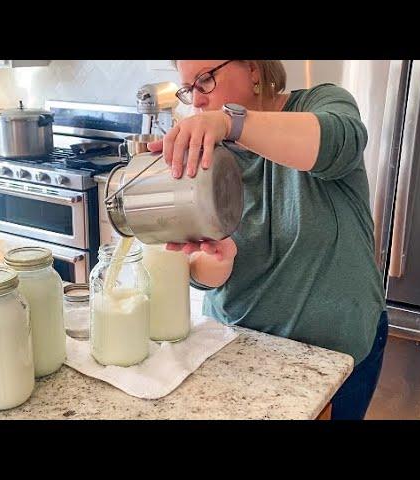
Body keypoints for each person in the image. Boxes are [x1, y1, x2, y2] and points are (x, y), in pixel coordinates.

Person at [147, 60, 388, 420]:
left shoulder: (321, 104)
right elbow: (197, 269)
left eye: (205, 80)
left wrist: (231, 121)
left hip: (335, 357)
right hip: (239, 352)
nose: (196, 101)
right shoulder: (206, 150)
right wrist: (219, 260)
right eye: (187, 88)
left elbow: (340, 142)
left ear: (255, 70)